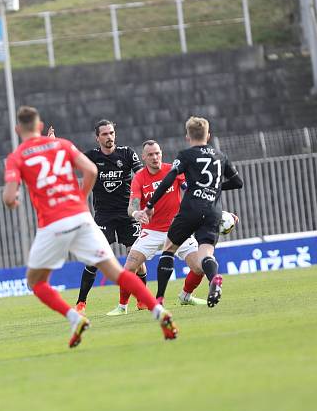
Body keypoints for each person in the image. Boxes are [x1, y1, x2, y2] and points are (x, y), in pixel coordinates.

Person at [3, 106, 178, 347]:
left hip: (52, 224)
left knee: (36, 282)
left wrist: (13, 201)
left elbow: (9, 197)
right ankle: (159, 312)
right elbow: (91, 170)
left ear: (17, 129)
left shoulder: (17, 157)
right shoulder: (62, 145)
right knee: (116, 271)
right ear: (40, 126)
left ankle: (75, 317)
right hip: (82, 216)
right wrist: (79, 197)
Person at [143, 117, 243, 308]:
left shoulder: (186, 155)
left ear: (188, 136)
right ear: (208, 135)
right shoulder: (220, 156)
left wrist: (150, 204)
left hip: (190, 209)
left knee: (169, 249)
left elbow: (169, 179)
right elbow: (238, 183)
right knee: (205, 254)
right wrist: (214, 189)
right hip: (213, 210)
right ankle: (214, 279)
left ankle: (159, 299)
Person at [50, 121, 146, 315]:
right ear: (97, 138)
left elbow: (142, 175)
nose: (109, 137)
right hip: (104, 216)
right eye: (105, 134)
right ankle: (81, 303)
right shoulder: (92, 157)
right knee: (94, 259)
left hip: (128, 214)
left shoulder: (127, 154)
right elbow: (68, 160)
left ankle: (142, 299)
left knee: (136, 260)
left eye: (111, 133)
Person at [106, 140, 207, 316]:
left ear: (161, 153)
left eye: (157, 153)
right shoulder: (139, 178)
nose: (155, 157)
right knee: (129, 269)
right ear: (144, 157)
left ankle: (186, 296)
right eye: (150, 154)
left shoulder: (173, 171)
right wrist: (136, 214)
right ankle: (122, 306)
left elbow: (192, 190)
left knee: (200, 267)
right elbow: (132, 206)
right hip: (151, 231)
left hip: (178, 229)